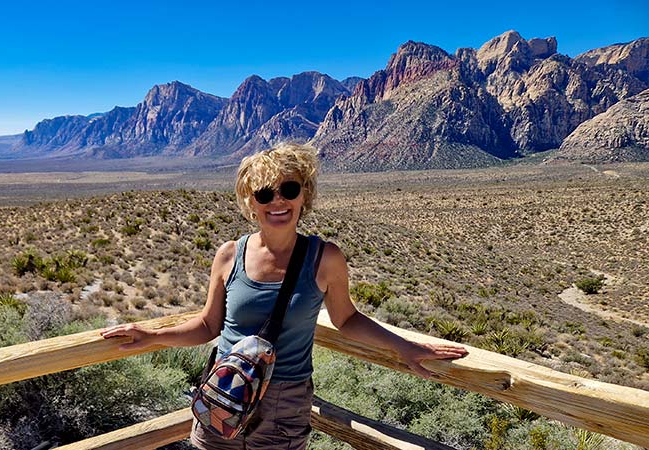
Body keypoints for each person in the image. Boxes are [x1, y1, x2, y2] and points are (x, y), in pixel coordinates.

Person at [100, 142, 468, 450]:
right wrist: (152, 337)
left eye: (289, 190)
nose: (278, 201)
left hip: (284, 404)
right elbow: (209, 324)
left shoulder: (325, 258)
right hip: (223, 392)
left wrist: (404, 346)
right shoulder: (230, 254)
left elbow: (346, 319)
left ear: (304, 194)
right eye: (264, 194)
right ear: (250, 201)